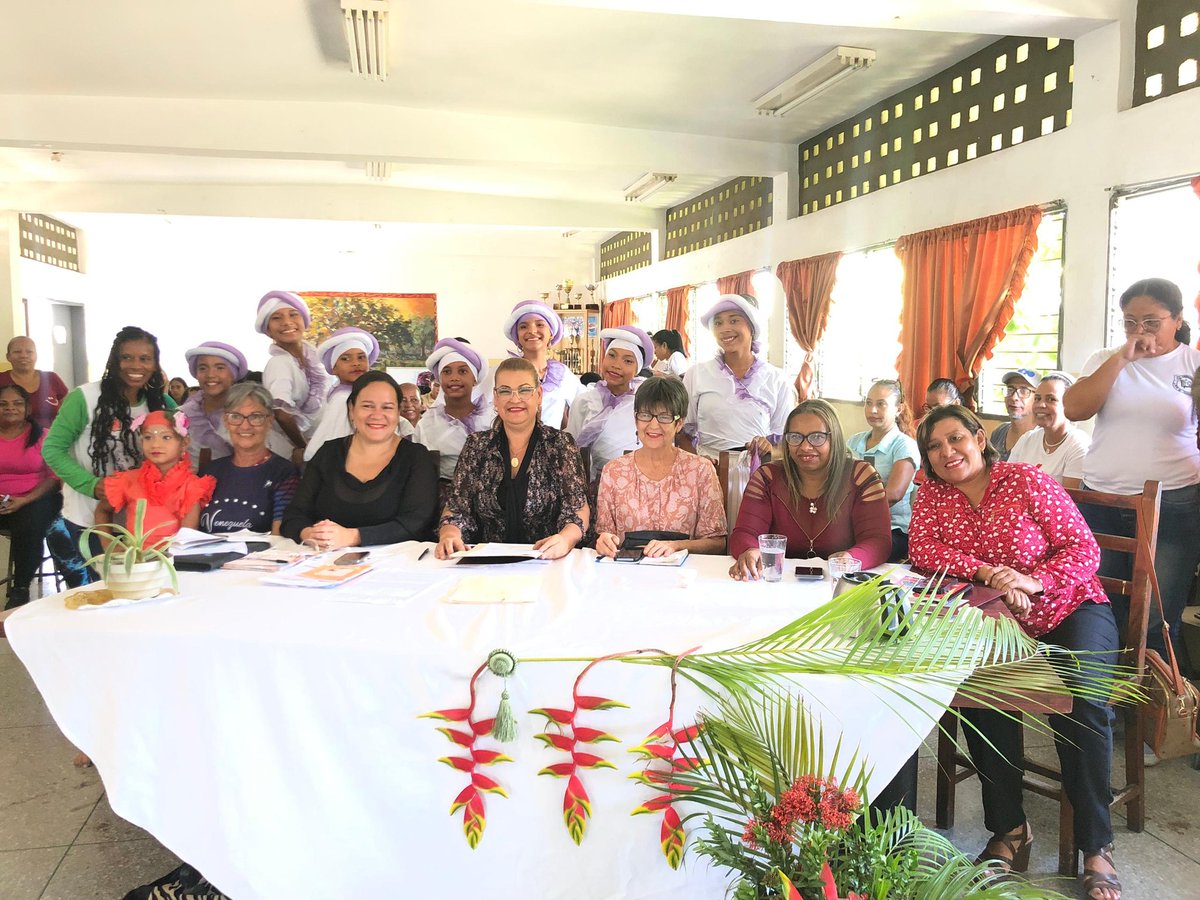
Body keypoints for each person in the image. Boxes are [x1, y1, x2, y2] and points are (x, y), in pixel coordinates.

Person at [908, 403, 1120, 900]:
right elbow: (924, 551)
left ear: (980, 438)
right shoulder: (933, 497)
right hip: (998, 619)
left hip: (1070, 608)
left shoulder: (1026, 479)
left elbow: (1083, 549)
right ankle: (1009, 831)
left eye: (955, 438)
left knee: (1084, 701)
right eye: (935, 447)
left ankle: (1096, 846)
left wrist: (1033, 579)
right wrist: (991, 574)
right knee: (985, 700)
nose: (947, 452)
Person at [1064, 277, 1200, 660]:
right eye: (1129, 322)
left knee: (1158, 615)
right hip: (1102, 501)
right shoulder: (1107, 358)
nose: (1140, 332)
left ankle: (1148, 710)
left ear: (1177, 319)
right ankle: (1107, 704)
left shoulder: (1194, 365)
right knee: (1101, 607)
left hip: (1171, 505)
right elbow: (1075, 409)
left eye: (1152, 322)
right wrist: (1122, 357)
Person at [42, 326, 174, 587]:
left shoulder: (163, 404)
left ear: (155, 364)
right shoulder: (85, 398)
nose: (135, 365)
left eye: (145, 358)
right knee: (102, 591)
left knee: (142, 591)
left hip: (143, 521)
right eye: (127, 357)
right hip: (87, 517)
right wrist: (91, 485)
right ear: (114, 360)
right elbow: (52, 449)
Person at [436, 358, 589, 560]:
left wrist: (565, 539)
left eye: (524, 390)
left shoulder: (560, 445)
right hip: (486, 564)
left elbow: (577, 509)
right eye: (505, 391)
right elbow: (457, 507)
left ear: (539, 395)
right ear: (496, 398)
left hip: (547, 560)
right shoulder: (477, 446)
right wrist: (450, 533)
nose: (515, 399)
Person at [728, 398, 891, 579]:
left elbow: (878, 540)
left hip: (840, 583)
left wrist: (851, 558)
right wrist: (750, 550)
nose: (805, 446)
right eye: (795, 437)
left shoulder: (862, 477)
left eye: (817, 437)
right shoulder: (767, 478)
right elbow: (744, 533)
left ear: (834, 437)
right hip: (778, 583)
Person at [281, 372, 438, 549]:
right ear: (351, 410)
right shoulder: (328, 453)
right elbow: (294, 515)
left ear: (397, 413)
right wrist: (309, 533)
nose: (377, 415)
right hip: (325, 563)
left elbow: (417, 522)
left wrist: (353, 537)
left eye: (387, 407)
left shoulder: (415, 456)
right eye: (367, 406)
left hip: (396, 566)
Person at [594, 378, 726, 558]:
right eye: (645, 415)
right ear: (636, 419)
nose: (653, 425)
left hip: (683, 577)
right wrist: (603, 541)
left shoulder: (701, 470)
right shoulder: (614, 471)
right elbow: (605, 534)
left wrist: (676, 546)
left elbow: (717, 543)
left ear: (679, 423)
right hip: (627, 575)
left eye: (664, 417)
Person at [682, 294, 793, 460]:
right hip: (708, 470)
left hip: (756, 475)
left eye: (734, 321)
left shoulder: (777, 379)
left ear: (752, 327)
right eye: (718, 323)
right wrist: (700, 467)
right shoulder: (696, 374)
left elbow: (785, 445)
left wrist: (768, 450)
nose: (725, 328)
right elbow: (682, 433)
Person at [95, 410, 216, 541]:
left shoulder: (191, 486)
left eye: (166, 437)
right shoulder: (129, 480)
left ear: (184, 443)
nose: (155, 444)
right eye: (148, 437)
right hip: (135, 559)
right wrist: (109, 546)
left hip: (172, 559)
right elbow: (102, 510)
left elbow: (185, 540)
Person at [199, 383, 300, 535]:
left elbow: (279, 538)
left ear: (269, 421)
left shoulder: (283, 473)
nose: (245, 426)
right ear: (226, 421)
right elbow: (190, 535)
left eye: (256, 417)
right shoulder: (210, 471)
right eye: (236, 417)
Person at [305, 327, 412, 461]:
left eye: (361, 357)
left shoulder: (367, 393)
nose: (356, 363)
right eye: (345, 359)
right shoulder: (343, 398)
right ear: (334, 368)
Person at [0, 384, 61, 608]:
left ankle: (20, 588)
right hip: (2, 502)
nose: (10, 408)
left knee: (28, 524)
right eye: (3, 404)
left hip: (36, 499)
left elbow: (54, 478)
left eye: (17, 403)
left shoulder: (43, 437)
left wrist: (24, 500)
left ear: (27, 409)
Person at [566, 325, 652, 484]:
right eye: (611, 355)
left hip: (642, 482)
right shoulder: (584, 402)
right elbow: (570, 449)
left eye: (627, 361)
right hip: (598, 484)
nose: (616, 365)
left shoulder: (646, 402)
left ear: (637, 369)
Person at [847, 379, 919, 562]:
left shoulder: (904, 445)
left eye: (881, 404)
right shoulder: (854, 442)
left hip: (892, 530)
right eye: (868, 403)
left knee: (850, 556)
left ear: (898, 409)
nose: (872, 410)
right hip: (851, 526)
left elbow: (894, 494)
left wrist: (853, 513)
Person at [256, 291, 327, 462]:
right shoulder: (280, 363)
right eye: (276, 318)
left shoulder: (316, 360)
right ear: (268, 330)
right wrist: (305, 447)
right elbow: (281, 413)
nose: (287, 322)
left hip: (319, 448)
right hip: (294, 454)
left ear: (304, 321)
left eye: (293, 315)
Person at [413, 338, 494, 480]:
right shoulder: (426, 424)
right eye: (447, 372)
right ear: (439, 379)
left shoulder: (491, 420)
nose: (454, 378)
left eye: (462, 371)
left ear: (474, 378)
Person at [498, 300, 581, 429]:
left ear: (551, 334)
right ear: (517, 336)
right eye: (523, 326)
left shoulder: (562, 375)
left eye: (540, 325)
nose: (532, 330)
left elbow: (587, 407)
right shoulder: (505, 371)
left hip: (551, 447)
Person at [1009, 372, 1090, 484]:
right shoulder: (1027, 439)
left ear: (1068, 404)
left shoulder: (1078, 445)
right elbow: (1007, 483)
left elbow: (1069, 499)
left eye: (1051, 399)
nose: (1041, 405)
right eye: (1037, 399)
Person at [179, 340, 249, 470]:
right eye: (203, 368)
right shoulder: (180, 416)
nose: (210, 375)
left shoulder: (248, 415)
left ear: (233, 374)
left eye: (220, 368)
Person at [0, 336, 69, 430]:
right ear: (8, 356)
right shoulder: (1, 379)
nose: (24, 355)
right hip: (10, 441)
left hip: (51, 440)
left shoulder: (52, 378)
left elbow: (70, 411)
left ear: (36, 355)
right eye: (17, 352)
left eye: (29, 352)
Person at [990, 369, 1038, 461]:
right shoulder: (999, 432)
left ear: (1037, 398)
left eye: (1024, 391)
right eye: (1010, 389)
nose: (1014, 397)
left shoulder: (1042, 437)